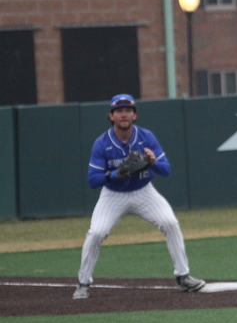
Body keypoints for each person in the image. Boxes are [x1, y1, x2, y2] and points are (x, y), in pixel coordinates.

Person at [73, 94, 205, 299]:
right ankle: (83, 283)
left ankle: (183, 277)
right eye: (119, 111)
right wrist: (117, 174)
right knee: (96, 232)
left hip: (144, 191)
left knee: (170, 222)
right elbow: (93, 181)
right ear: (111, 116)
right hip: (113, 195)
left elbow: (166, 170)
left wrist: (153, 163)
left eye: (128, 110)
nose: (123, 114)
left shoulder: (146, 137)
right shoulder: (102, 143)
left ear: (135, 115)